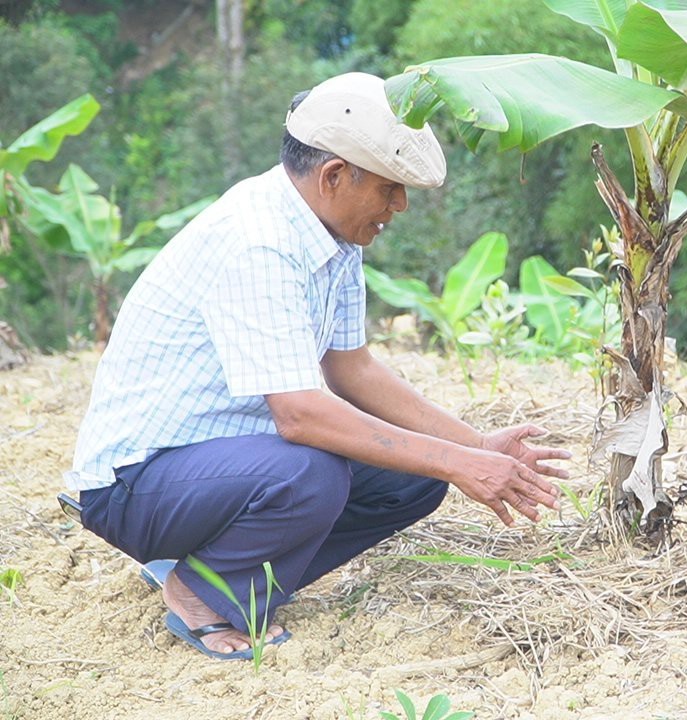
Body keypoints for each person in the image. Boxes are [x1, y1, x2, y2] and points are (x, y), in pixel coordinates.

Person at [64, 72, 568, 659]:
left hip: (222, 465)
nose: (399, 206)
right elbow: (301, 417)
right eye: (390, 188)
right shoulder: (258, 242)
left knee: (415, 475)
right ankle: (201, 591)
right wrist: (463, 463)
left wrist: (476, 446)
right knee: (310, 473)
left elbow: (353, 370)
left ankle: (224, 569)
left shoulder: (335, 236)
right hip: (135, 485)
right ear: (333, 176)